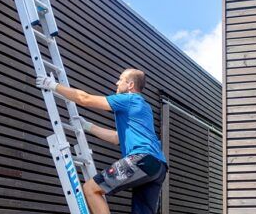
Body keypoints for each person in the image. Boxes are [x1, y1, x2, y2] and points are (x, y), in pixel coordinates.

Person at [36, 68, 168, 214]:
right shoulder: (144, 106)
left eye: (121, 79)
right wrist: (88, 126)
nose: (117, 82)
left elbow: (84, 99)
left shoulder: (129, 99)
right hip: (158, 166)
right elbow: (116, 138)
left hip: (141, 158)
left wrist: (53, 85)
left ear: (130, 85)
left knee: (91, 189)